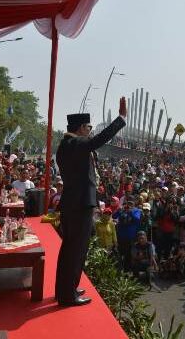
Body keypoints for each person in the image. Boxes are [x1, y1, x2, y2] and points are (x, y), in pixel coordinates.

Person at [55, 98, 126, 306]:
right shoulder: (76, 143)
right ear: (80, 128)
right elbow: (98, 141)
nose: (90, 131)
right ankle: (68, 296)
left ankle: (66, 290)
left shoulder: (67, 145)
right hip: (79, 205)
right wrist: (121, 119)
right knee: (76, 250)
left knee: (70, 249)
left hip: (72, 203)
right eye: (89, 127)